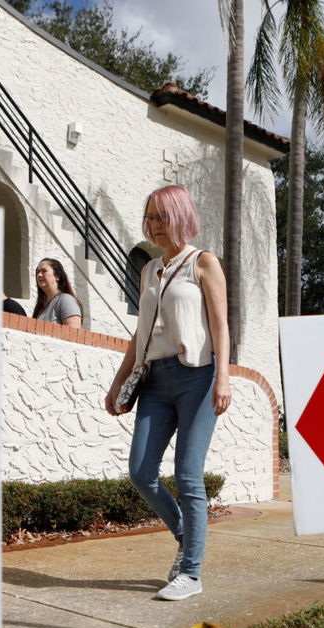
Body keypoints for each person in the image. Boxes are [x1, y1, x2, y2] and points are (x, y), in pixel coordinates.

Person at [104, 185, 231, 602]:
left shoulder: (204, 263)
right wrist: (118, 381)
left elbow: (220, 325)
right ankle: (186, 537)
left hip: (197, 376)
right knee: (141, 472)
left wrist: (223, 377)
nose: (154, 225)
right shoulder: (148, 271)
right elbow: (140, 333)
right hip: (154, 380)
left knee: (188, 476)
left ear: (180, 216)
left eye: (161, 216)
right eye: (150, 218)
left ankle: (191, 572)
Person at [31, 258, 82, 328]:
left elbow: (74, 333)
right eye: (38, 272)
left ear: (57, 276)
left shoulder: (66, 300)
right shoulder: (40, 307)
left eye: (44, 271)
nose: (39, 275)